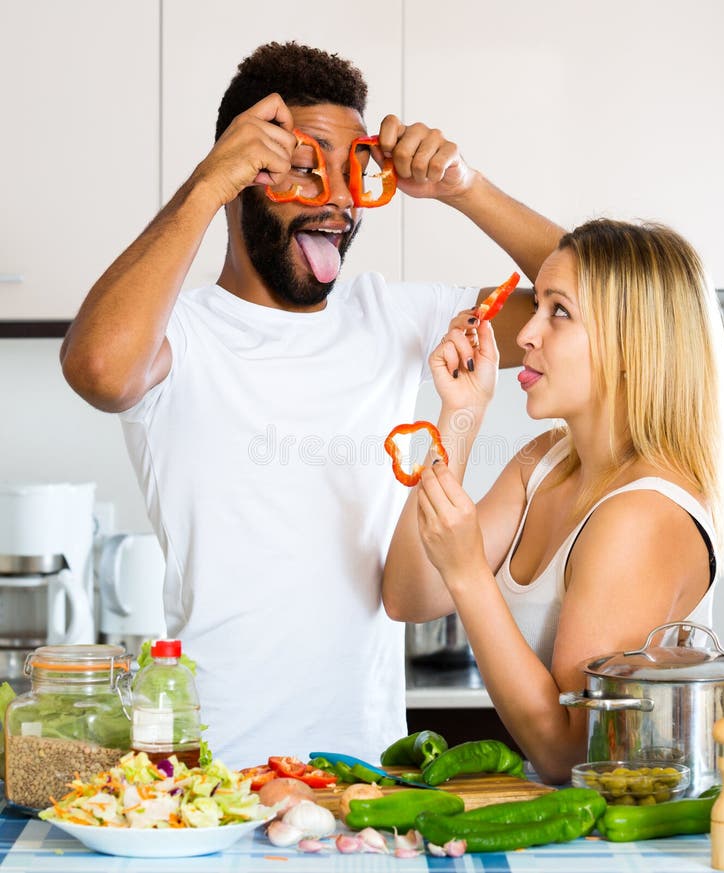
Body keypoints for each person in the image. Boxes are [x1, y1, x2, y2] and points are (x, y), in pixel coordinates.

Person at [59, 41, 564, 768]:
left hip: (361, 776)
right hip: (211, 781)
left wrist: (463, 186)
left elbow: (607, 304)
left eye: (351, 166)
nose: (338, 196)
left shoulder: (390, 315)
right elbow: (99, 369)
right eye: (304, 165)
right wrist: (206, 184)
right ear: (243, 173)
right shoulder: (181, 336)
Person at [382, 219, 724, 784]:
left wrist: (471, 572)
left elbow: (572, 753)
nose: (525, 334)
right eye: (537, 306)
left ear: (631, 345)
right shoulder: (546, 460)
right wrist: (461, 414)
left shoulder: (642, 514)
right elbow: (409, 594)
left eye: (559, 311)